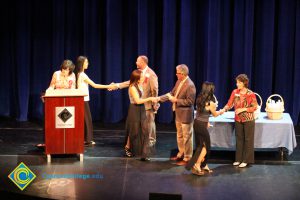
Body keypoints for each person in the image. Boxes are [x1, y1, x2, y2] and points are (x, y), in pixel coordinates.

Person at [110, 55, 159, 157]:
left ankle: (150, 142)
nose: (136, 63)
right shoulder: (137, 75)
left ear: (143, 62)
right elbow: (130, 82)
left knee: (149, 125)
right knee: (137, 127)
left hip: (147, 105)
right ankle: (136, 146)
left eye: (137, 61)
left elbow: (155, 90)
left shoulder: (151, 74)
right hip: (138, 106)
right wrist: (116, 86)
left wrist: (155, 103)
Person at [158, 64, 196, 166]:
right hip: (178, 114)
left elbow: (190, 102)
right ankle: (181, 153)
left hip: (186, 115)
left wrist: (176, 100)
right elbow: (171, 93)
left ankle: (188, 157)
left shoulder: (190, 85)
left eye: (177, 73)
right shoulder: (179, 81)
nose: (176, 74)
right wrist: (159, 99)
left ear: (182, 73)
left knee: (187, 137)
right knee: (179, 135)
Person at [185, 82, 223, 175]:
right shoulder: (211, 103)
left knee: (200, 146)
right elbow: (215, 114)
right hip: (201, 125)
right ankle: (197, 165)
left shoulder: (199, 98)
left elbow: (200, 113)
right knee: (206, 146)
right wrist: (222, 111)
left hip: (197, 123)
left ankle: (203, 165)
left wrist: (207, 122)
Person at [75, 56, 114, 146]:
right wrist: (108, 86)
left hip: (81, 99)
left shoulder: (78, 74)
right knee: (87, 120)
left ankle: (85, 139)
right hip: (82, 99)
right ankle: (88, 140)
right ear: (82, 63)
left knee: (84, 120)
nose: (88, 64)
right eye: (86, 62)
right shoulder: (82, 75)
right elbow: (95, 85)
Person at [220, 74, 258, 168]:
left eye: (239, 82)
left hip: (248, 119)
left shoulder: (250, 93)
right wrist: (223, 110)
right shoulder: (235, 92)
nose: (237, 84)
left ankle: (246, 160)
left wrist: (243, 109)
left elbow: (254, 107)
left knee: (248, 140)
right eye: (237, 82)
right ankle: (238, 159)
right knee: (239, 139)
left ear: (244, 83)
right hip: (238, 119)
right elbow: (230, 103)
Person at [125, 69, 156, 161]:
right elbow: (137, 101)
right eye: (141, 77)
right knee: (134, 131)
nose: (143, 78)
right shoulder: (132, 87)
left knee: (145, 131)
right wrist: (150, 98)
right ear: (137, 79)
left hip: (141, 109)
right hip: (134, 109)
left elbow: (148, 78)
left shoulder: (140, 84)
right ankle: (128, 147)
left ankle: (145, 153)